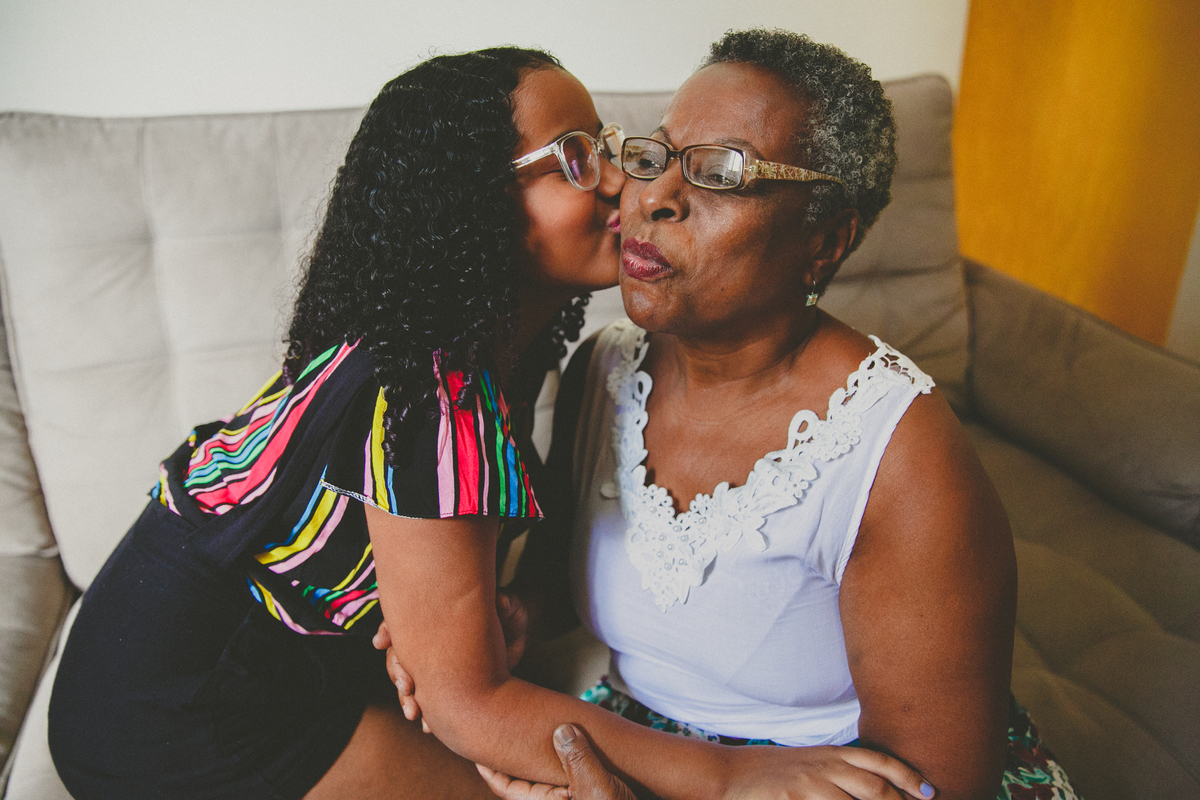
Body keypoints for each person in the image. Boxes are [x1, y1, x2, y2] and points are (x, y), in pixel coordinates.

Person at [47, 45, 934, 800]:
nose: (626, 182)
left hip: (281, 654)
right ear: (477, 205)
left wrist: (489, 617)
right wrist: (734, 778)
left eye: (613, 149)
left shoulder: (506, 354)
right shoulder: (429, 395)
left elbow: (458, 614)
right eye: (579, 158)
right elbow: (470, 702)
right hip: (179, 698)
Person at [389, 29, 1080, 800]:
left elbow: (931, 785)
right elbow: (559, 580)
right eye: (655, 156)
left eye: (720, 173)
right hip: (644, 746)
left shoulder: (895, 453)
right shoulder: (604, 370)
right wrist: (514, 616)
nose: (650, 198)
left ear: (825, 240)